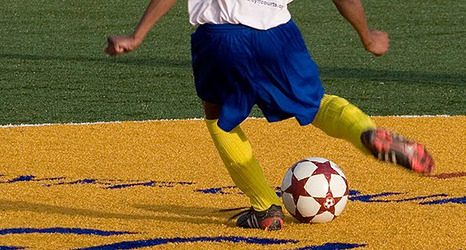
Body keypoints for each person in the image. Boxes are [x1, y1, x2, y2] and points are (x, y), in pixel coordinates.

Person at [106, 0, 433, 231]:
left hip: (221, 38)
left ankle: (264, 207)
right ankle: (366, 132)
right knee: (316, 103)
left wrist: (137, 35)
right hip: (277, 35)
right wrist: (367, 35)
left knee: (219, 116)